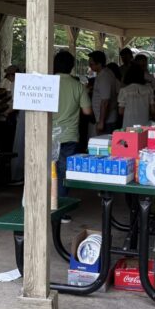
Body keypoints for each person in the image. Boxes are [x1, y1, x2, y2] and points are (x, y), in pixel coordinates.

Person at [53, 50, 92, 212]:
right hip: (69, 135)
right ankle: (60, 210)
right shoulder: (78, 86)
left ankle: (44, 206)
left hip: (47, 134)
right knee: (63, 173)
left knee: (47, 171)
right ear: (71, 67)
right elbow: (87, 112)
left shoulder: (47, 83)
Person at [88, 50, 119, 134]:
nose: (90, 66)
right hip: (107, 118)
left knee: (104, 145)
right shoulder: (107, 73)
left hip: (106, 121)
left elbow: (105, 101)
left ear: (99, 63)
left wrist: (101, 122)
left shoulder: (104, 77)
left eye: (91, 64)